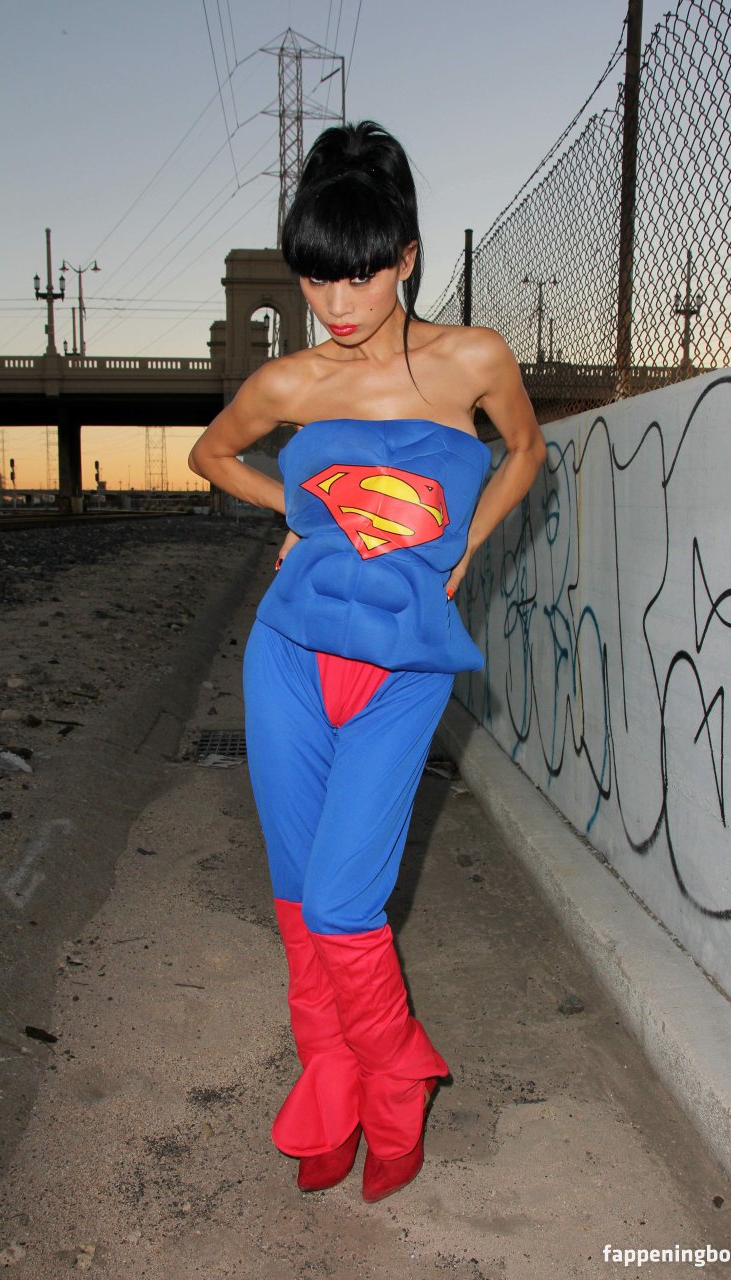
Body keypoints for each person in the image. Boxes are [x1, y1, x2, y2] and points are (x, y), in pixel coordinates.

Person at [188, 120, 546, 1203]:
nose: (337, 303)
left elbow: (525, 449)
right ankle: (329, 1087)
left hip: (403, 669)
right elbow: (212, 452)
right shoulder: (290, 380)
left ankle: (396, 1080)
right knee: (299, 896)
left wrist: (466, 543)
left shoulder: (472, 359)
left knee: (346, 901)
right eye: (316, 278)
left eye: (359, 274)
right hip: (289, 656)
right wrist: (292, 510)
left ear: (405, 258)